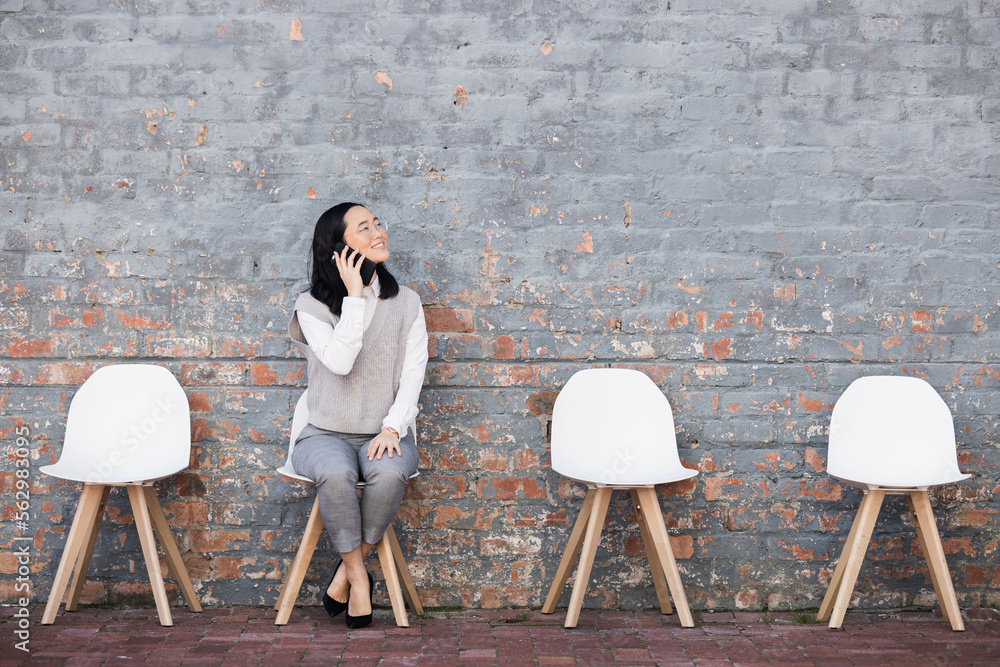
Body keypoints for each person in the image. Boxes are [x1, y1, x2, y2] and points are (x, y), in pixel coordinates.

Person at [287, 202, 428, 628]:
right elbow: (341, 362)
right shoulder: (311, 306)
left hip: (384, 432)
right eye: (364, 228)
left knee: (388, 474)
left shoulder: (406, 303)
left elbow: (414, 372)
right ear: (339, 249)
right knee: (335, 474)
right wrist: (352, 297)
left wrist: (392, 427)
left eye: (377, 223)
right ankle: (360, 581)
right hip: (322, 434)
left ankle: (346, 572)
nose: (378, 232)